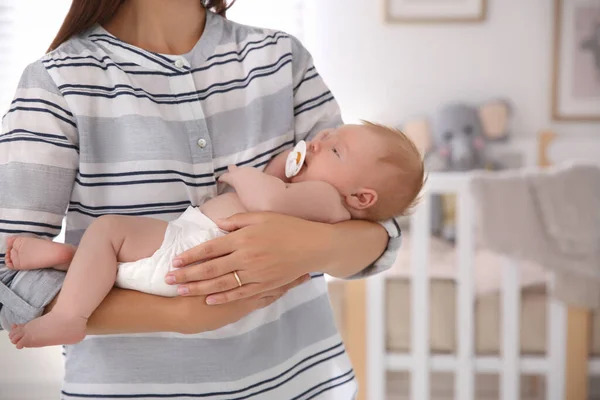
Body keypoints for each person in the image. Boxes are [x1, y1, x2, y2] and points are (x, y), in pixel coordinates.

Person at [0, 0, 403, 398]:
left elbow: (378, 223)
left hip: (306, 384)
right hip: (134, 389)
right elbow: (7, 279)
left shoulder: (280, 59)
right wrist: (180, 315)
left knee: (114, 248)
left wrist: (308, 246)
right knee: (111, 249)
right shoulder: (57, 81)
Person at [6, 122, 424, 349]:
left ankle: (70, 315)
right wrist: (287, 163)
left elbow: (271, 200)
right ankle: (66, 258)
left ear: (362, 196)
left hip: (192, 248)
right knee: (115, 254)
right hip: (187, 245)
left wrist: (245, 175)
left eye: (335, 150)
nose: (319, 141)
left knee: (110, 232)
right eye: (327, 135)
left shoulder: (327, 199)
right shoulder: (320, 195)